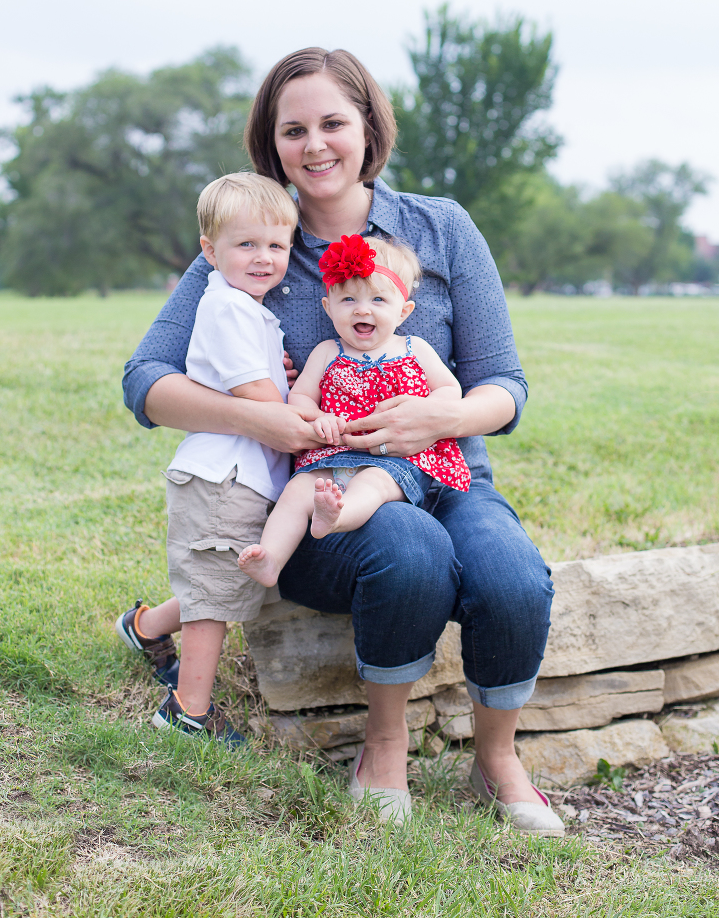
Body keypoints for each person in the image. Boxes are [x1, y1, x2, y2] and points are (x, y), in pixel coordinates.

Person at [121, 47, 563, 834]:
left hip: (450, 472)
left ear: (368, 126)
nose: (315, 144)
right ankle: (382, 750)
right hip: (322, 497)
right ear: (271, 141)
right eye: (294, 129)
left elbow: (506, 385)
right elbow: (145, 382)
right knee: (408, 549)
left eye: (333, 122)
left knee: (513, 578)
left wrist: (441, 418)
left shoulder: (443, 228)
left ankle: (498, 761)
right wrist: (267, 420)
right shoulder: (252, 240)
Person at [117, 172, 299, 742]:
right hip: (226, 474)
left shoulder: (252, 309)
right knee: (214, 599)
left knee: (219, 581)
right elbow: (256, 398)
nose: (263, 258)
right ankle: (188, 710)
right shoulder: (227, 307)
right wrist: (303, 413)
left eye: (276, 245)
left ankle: (144, 628)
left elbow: (255, 377)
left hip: (239, 475)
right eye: (246, 244)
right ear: (209, 251)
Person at [237, 234, 471, 588]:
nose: (363, 309)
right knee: (298, 490)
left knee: (373, 484)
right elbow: (300, 397)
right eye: (348, 299)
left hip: (398, 458)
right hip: (332, 456)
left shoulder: (414, 349)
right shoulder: (327, 352)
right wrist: (319, 418)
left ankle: (336, 517)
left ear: (403, 310)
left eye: (378, 299)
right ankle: (271, 559)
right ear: (328, 307)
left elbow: (450, 389)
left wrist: (425, 410)